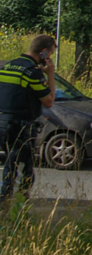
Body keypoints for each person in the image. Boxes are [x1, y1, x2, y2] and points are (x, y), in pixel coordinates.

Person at [0, 34, 56, 202]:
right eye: (51, 54)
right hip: (20, 125)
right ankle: (13, 203)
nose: (50, 58)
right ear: (44, 52)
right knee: (21, 167)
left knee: (11, 161)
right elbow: (49, 101)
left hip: (2, 122)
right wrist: (50, 74)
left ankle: (8, 200)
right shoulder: (32, 72)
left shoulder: (8, 66)